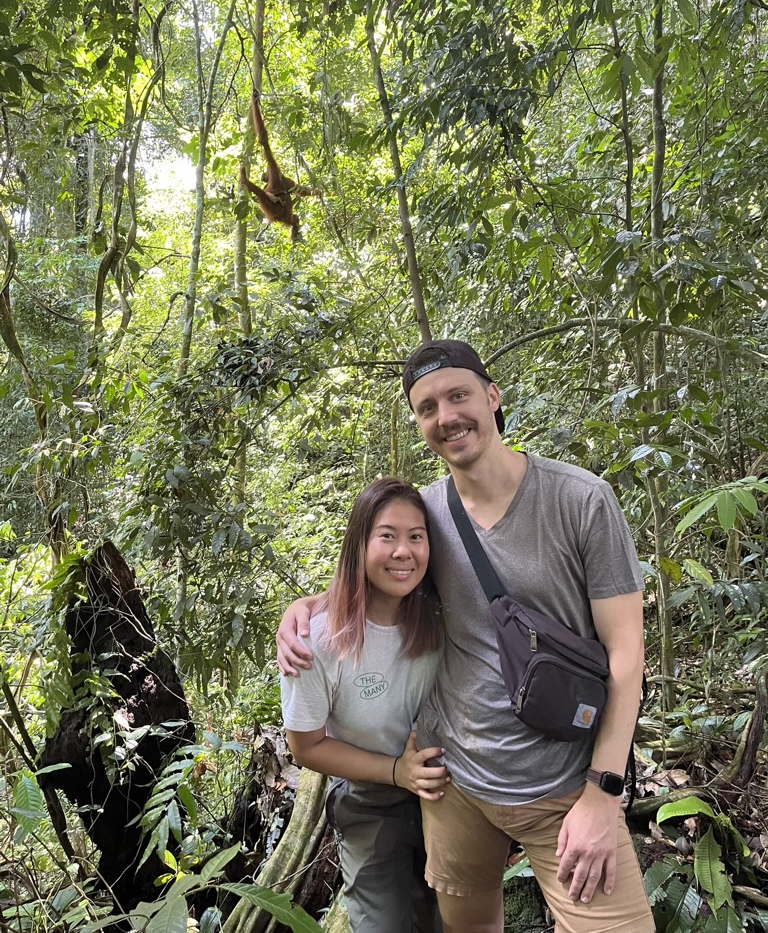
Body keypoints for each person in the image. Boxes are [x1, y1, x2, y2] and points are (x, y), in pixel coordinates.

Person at [278, 340, 655, 933]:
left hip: (562, 784)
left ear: (493, 397)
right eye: (427, 407)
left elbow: (626, 657)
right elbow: (378, 576)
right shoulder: (425, 516)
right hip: (455, 785)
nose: (446, 415)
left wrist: (603, 794)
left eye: (458, 395)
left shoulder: (580, 499)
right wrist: (302, 609)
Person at [280, 476, 447, 933]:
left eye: (416, 537)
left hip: (452, 792)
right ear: (359, 543)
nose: (403, 551)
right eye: (387, 536)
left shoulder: (439, 609)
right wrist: (397, 772)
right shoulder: (316, 640)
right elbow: (306, 747)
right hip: (373, 801)